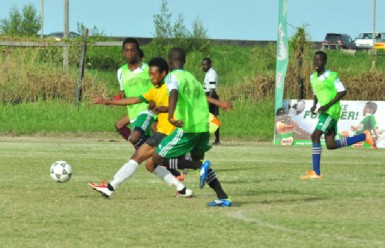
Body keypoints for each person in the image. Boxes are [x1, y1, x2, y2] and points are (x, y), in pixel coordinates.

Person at [89, 58, 192, 198]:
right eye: (149, 74)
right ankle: (182, 189)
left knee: (137, 157)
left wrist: (164, 109)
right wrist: (108, 101)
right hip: (163, 131)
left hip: (168, 132)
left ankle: (110, 187)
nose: (151, 77)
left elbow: (180, 105)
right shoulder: (154, 90)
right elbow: (134, 100)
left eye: (154, 74)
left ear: (164, 73)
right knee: (150, 165)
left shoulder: (171, 88)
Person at [152, 48, 232, 207]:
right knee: (198, 160)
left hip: (187, 128)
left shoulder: (171, 76)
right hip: (203, 127)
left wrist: (170, 116)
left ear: (169, 62)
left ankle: (198, 166)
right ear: (185, 61)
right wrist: (220, 103)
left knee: (157, 158)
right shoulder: (192, 78)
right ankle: (222, 196)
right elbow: (202, 96)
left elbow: (173, 92)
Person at [301, 51, 377, 179]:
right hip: (324, 111)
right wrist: (315, 105)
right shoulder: (312, 77)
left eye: (320, 60)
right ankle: (364, 136)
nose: (316, 62)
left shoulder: (331, 76)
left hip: (331, 111)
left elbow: (342, 91)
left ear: (325, 62)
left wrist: (327, 105)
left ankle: (316, 172)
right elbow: (316, 93)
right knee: (331, 144)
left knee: (315, 135)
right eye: (315, 60)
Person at [114, 38, 153, 149]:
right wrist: (116, 99)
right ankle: (174, 160)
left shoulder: (147, 69)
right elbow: (124, 93)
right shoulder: (121, 71)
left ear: (137, 51)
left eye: (132, 50)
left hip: (148, 109)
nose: (130, 53)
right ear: (123, 52)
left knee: (139, 139)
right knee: (141, 146)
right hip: (133, 112)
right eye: (127, 50)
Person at [202, 57, 221, 145]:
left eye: (205, 64)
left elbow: (212, 89)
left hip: (212, 97)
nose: (203, 66)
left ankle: (217, 140)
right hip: (208, 97)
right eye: (203, 65)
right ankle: (208, 139)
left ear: (210, 64)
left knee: (213, 119)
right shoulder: (208, 73)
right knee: (208, 119)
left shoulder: (211, 73)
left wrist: (209, 101)